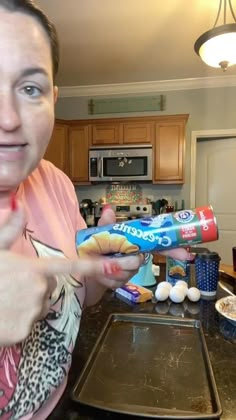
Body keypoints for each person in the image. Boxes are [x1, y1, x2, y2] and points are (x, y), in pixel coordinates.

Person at [0, 1, 191, 418]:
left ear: (53, 99)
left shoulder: (57, 183)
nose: (8, 118)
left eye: (29, 88)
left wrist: (105, 274)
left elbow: (77, 300)